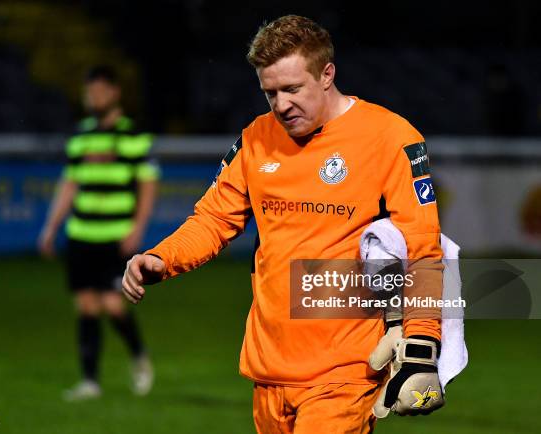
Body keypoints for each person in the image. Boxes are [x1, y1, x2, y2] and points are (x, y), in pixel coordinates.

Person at [122, 15, 444, 433]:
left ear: (327, 74)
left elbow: (423, 248)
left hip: (344, 372)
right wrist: (162, 257)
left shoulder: (390, 138)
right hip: (269, 370)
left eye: (293, 89)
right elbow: (214, 218)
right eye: (270, 92)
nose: (281, 105)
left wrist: (422, 344)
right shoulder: (257, 138)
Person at [39, 65, 159, 400]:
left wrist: (137, 228)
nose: (94, 97)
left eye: (100, 91)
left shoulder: (133, 135)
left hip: (115, 235)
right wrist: (51, 227)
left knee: (113, 304)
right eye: (90, 91)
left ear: (115, 92)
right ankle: (90, 381)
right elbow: (69, 184)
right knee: (87, 305)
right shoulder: (81, 136)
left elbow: (148, 185)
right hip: (81, 234)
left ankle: (139, 355)